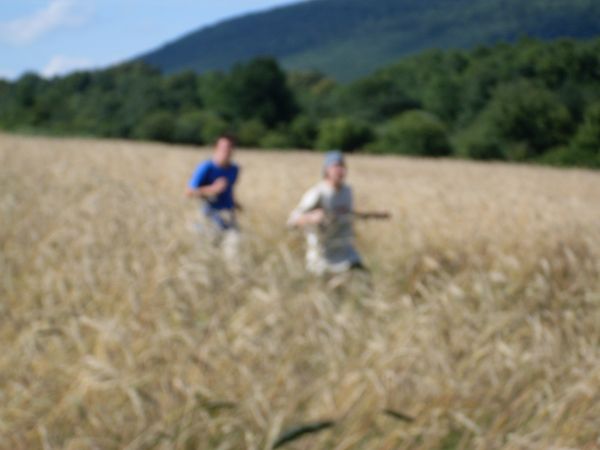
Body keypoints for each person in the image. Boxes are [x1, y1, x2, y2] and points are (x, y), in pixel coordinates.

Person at [287, 150, 390, 276]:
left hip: (345, 251)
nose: (340, 170)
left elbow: (347, 214)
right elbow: (292, 221)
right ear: (326, 170)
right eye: (336, 166)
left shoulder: (347, 191)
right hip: (322, 256)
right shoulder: (318, 193)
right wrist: (310, 217)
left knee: (364, 280)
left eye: (343, 166)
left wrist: (375, 215)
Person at [186, 134, 242, 264]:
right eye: (223, 148)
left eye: (229, 148)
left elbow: (230, 191)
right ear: (216, 148)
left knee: (234, 251)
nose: (226, 151)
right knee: (209, 255)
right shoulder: (206, 167)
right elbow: (189, 192)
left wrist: (236, 204)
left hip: (228, 216)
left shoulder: (235, 169)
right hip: (209, 217)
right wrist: (212, 189)